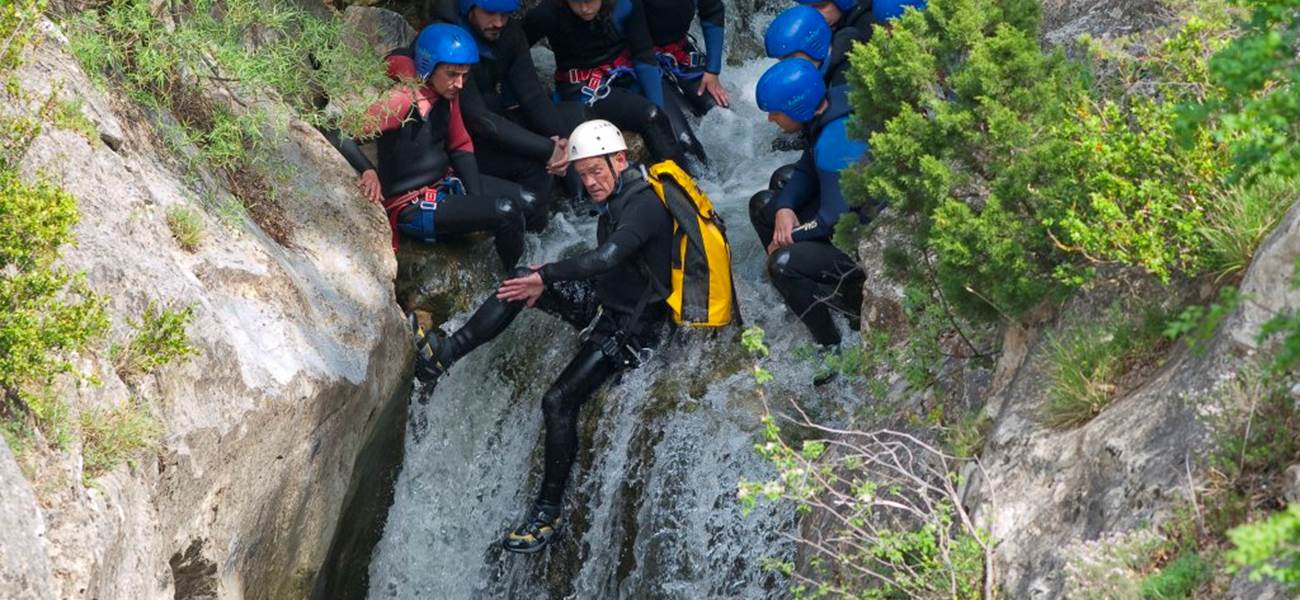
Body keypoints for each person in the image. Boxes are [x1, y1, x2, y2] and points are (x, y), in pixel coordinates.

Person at [412, 119, 677, 553]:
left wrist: (547, 274)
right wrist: (539, 281)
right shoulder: (615, 198)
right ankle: (444, 355)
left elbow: (607, 256)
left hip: (634, 329)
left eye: (597, 171)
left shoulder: (643, 205)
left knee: (558, 400)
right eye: (583, 174)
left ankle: (547, 513)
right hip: (608, 300)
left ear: (621, 160)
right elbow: (606, 269)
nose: (589, 182)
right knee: (519, 281)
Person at [336, 23, 532, 270]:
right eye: (452, 74)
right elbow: (341, 132)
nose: (460, 84)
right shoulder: (402, 101)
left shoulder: (447, 96)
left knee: (530, 201)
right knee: (506, 210)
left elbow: (460, 145)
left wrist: (476, 203)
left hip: (446, 186)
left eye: (465, 75)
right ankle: (512, 279)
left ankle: (518, 262)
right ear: (429, 68)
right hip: (414, 207)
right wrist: (367, 169)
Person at [749, 59, 871, 375]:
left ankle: (832, 346)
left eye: (775, 111)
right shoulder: (831, 104)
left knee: (783, 263)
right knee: (765, 203)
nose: (770, 118)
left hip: (862, 240)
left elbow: (832, 219)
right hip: (844, 211)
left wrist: (788, 238)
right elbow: (805, 168)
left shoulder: (836, 138)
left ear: (798, 107)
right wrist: (784, 209)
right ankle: (802, 296)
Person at [523, 0, 692, 170]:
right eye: (576, 1)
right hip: (586, 88)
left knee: (685, 141)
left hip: (625, 74)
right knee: (650, 116)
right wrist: (522, 99)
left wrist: (659, 106)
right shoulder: (548, 13)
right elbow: (514, 50)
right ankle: (678, 187)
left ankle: (697, 189)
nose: (584, 8)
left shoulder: (625, 4)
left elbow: (643, 55)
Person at [456, 0, 575, 230]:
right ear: (469, 8)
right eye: (490, 13)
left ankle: (552, 230)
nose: (498, 22)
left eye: (505, 14)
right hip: (460, 142)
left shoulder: (509, 33)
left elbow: (532, 96)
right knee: (536, 169)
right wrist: (546, 149)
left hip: (490, 124)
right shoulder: (453, 39)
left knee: (566, 130)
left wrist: (565, 142)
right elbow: (479, 119)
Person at [643, 0, 727, 163]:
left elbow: (712, 11)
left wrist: (712, 70)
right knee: (686, 140)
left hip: (680, 51)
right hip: (642, 64)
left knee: (722, 115)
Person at [765, 5, 858, 87]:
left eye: (790, 58)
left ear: (813, 46)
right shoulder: (828, 66)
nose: (787, 68)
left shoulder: (845, 77)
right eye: (782, 61)